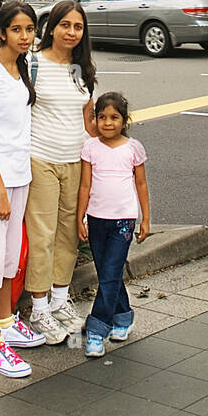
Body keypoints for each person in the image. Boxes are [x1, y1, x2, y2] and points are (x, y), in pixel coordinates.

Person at [0, 0, 46, 378]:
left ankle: (5, 321)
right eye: (17, 30)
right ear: (2, 32)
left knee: (8, 258)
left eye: (30, 30)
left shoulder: (20, 69)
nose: (24, 37)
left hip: (19, 178)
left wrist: (16, 184)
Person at [25, 0, 97, 344]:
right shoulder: (32, 63)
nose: (71, 32)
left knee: (69, 233)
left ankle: (59, 301)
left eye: (77, 27)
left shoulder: (82, 69)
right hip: (40, 159)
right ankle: (38, 309)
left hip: (75, 160)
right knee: (42, 234)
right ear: (51, 27)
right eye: (65, 25)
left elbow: (89, 120)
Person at [77, 92, 150, 357]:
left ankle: (97, 329)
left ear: (124, 120)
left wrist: (146, 219)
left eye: (114, 117)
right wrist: (80, 217)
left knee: (109, 273)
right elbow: (85, 185)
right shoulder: (90, 148)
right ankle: (123, 316)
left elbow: (141, 184)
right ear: (95, 120)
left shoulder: (133, 148)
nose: (108, 123)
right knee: (109, 271)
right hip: (96, 219)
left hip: (123, 220)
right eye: (102, 117)